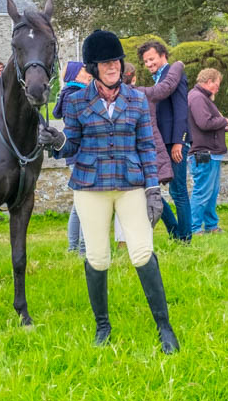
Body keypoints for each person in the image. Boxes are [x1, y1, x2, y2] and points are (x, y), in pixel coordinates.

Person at [38, 30, 180, 354]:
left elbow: (146, 146)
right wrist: (57, 141)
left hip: (130, 185)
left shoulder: (137, 99)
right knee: (98, 257)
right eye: (105, 62)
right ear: (94, 66)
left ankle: (164, 327)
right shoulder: (75, 101)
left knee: (142, 252)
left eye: (115, 60)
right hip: (91, 186)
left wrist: (153, 189)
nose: (112, 66)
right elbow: (71, 145)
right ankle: (103, 325)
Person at [139, 40, 192, 243]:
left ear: (163, 55)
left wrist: (180, 141)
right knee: (157, 190)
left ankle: (185, 238)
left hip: (174, 142)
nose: (149, 64)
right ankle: (175, 232)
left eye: (151, 59)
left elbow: (181, 109)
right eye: (145, 61)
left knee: (178, 191)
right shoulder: (160, 78)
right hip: (162, 142)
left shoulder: (174, 74)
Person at [187, 68, 228, 234]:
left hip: (209, 152)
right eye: (217, 84)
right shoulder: (198, 98)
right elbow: (204, 123)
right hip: (203, 152)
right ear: (209, 81)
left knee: (211, 191)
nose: (218, 88)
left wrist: (223, 127)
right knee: (202, 190)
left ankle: (211, 226)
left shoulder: (200, 97)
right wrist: (223, 121)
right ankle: (193, 228)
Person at [53, 61, 93, 255]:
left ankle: (73, 247)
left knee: (79, 205)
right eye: (86, 71)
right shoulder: (74, 96)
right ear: (76, 75)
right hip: (80, 155)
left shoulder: (69, 94)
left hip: (76, 156)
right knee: (87, 205)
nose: (89, 74)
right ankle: (84, 250)